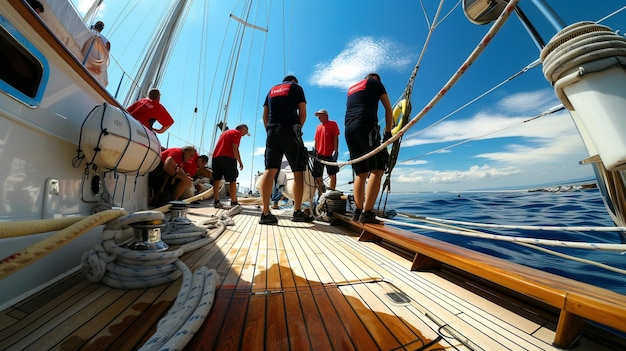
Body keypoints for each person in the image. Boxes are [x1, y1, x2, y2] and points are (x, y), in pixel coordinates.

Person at [258, 75, 312, 224]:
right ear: (294, 80)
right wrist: (298, 130)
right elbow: (303, 113)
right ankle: (297, 211)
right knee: (298, 171)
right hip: (290, 132)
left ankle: (265, 213)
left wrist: (269, 131)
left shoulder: (271, 90)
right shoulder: (296, 88)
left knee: (270, 171)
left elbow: (265, 115)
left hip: (272, 132)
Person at [344, 73, 393, 224]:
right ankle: (367, 213)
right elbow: (388, 109)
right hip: (366, 126)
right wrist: (388, 133)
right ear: (376, 78)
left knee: (361, 172)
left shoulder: (352, 88)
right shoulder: (375, 82)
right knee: (377, 169)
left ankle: (358, 212)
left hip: (349, 129)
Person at [211, 124, 250, 208]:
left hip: (216, 157)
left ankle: (216, 201)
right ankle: (234, 202)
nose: (244, 135)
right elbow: (235, 148)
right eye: (245, 132)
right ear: (242, 129)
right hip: (228, 157)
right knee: (233, 180)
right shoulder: (237, 133)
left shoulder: (224, 133)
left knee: (216, 179)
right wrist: (240, 161)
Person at [312, 109, 340, 196]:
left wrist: (336, 151)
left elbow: (336, 137)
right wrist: (314, 149)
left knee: (332, 173)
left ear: (326, 116)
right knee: (317, 174)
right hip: (319, 154)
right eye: (318, 116)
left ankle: (332, 192)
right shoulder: (318, 127)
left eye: (321, 115)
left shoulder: (333, 124)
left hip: (329, 153)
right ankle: (320, 193)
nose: (319, 118)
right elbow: (316, 140)